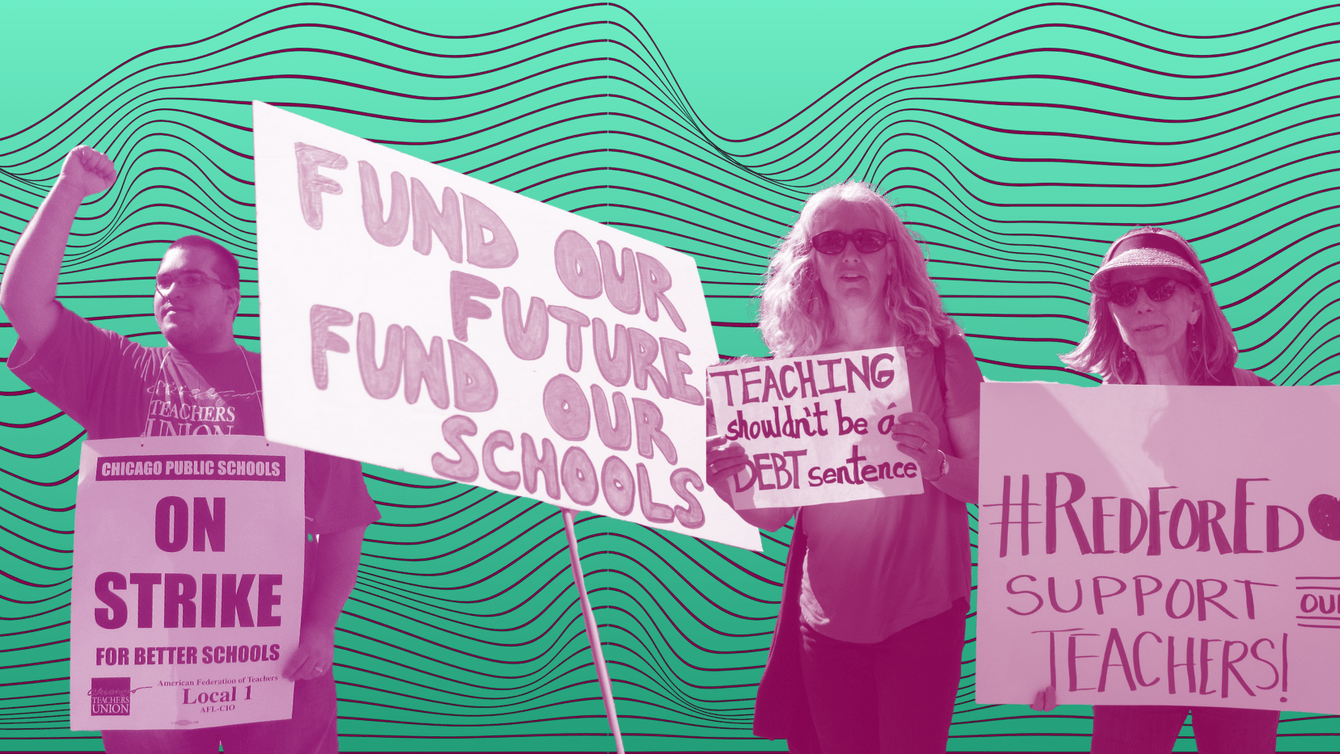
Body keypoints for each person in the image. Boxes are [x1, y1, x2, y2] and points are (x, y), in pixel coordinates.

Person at [0, 145, 380, 754]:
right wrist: (68, 191)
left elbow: (343, 521)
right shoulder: (120, 371)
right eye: (162, 282)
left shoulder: (294, 391)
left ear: (233, 299)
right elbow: (22, 304)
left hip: (276, 657)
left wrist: (319, 626)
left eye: (193, 279)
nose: (172, 290)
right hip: (149, 660)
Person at [705, 182, 982, 753]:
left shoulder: (941, 352)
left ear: (892, 256)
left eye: (867, 240)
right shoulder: (790, 372)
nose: (850, 255)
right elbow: (773, 516)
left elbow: (988, 480)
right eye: (830, 242)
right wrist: (728, 483)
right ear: (808, 260)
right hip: (826, 623)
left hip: (923, 616)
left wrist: (934, 463)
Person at [1053, 226, 1277, 752]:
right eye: (1124, 294)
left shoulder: (1262, 402)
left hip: (1241, 647)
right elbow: (1059, 555)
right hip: (1132, 650)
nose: (1142, 305)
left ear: (1196, 305)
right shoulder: (1087, 423)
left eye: (1161, 288)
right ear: (1110, 313)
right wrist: (1043, 659)